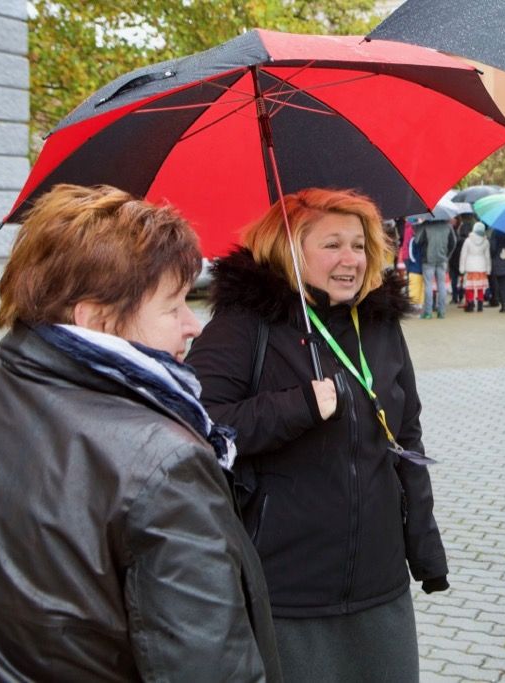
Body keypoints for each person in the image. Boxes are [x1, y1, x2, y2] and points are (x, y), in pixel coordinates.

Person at [0, 184, 280, 681]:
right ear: (96, 320)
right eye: (173, 306)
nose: (193, 325)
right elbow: (207, 665)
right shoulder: (165, 462)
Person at [186, 187, 449, 682]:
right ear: (289, 247)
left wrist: (424, 549)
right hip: (289, 592)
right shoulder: (245, 323)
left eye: (358, 244)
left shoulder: (378, 322)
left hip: (380, 584)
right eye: (331, 245)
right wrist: (298, 405)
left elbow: (405, 436)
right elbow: (196, 426)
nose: (350, 258)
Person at [418, 217, 455, 319]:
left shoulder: (426, 225)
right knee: (442, 285)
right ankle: (441, 312)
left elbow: (418, 240)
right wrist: (447, 255)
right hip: (442, 259)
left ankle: (428, 312)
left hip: (428, 260)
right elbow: (453, 242)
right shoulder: (448, 226)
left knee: (428, 285)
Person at [459, 221, 491, 313]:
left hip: (470, 266)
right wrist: (488, 269)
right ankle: (480, 305)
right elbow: (487, 256)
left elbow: (463, 255)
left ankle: (470, 304)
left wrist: (462, 267)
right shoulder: (486, 242)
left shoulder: (468, 241)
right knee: (480, 286)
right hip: (481, 266)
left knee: (470, 286)